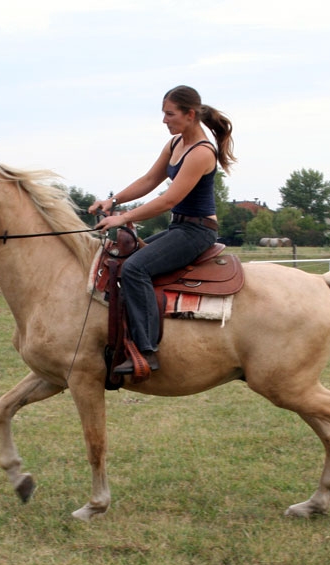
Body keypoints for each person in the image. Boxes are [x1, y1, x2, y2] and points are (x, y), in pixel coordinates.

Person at [90, 85, 236, 375]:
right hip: (179, 228)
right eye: (163, 113)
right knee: (119, 259)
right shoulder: (175, 144)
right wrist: (113, 200)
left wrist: (122, 218)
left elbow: (169, 199)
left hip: (197, 232)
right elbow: (148, 180)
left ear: (190, 114)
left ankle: (146, 352)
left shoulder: (202, 152)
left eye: (170, 114)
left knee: (135, 269)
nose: (164, 120)